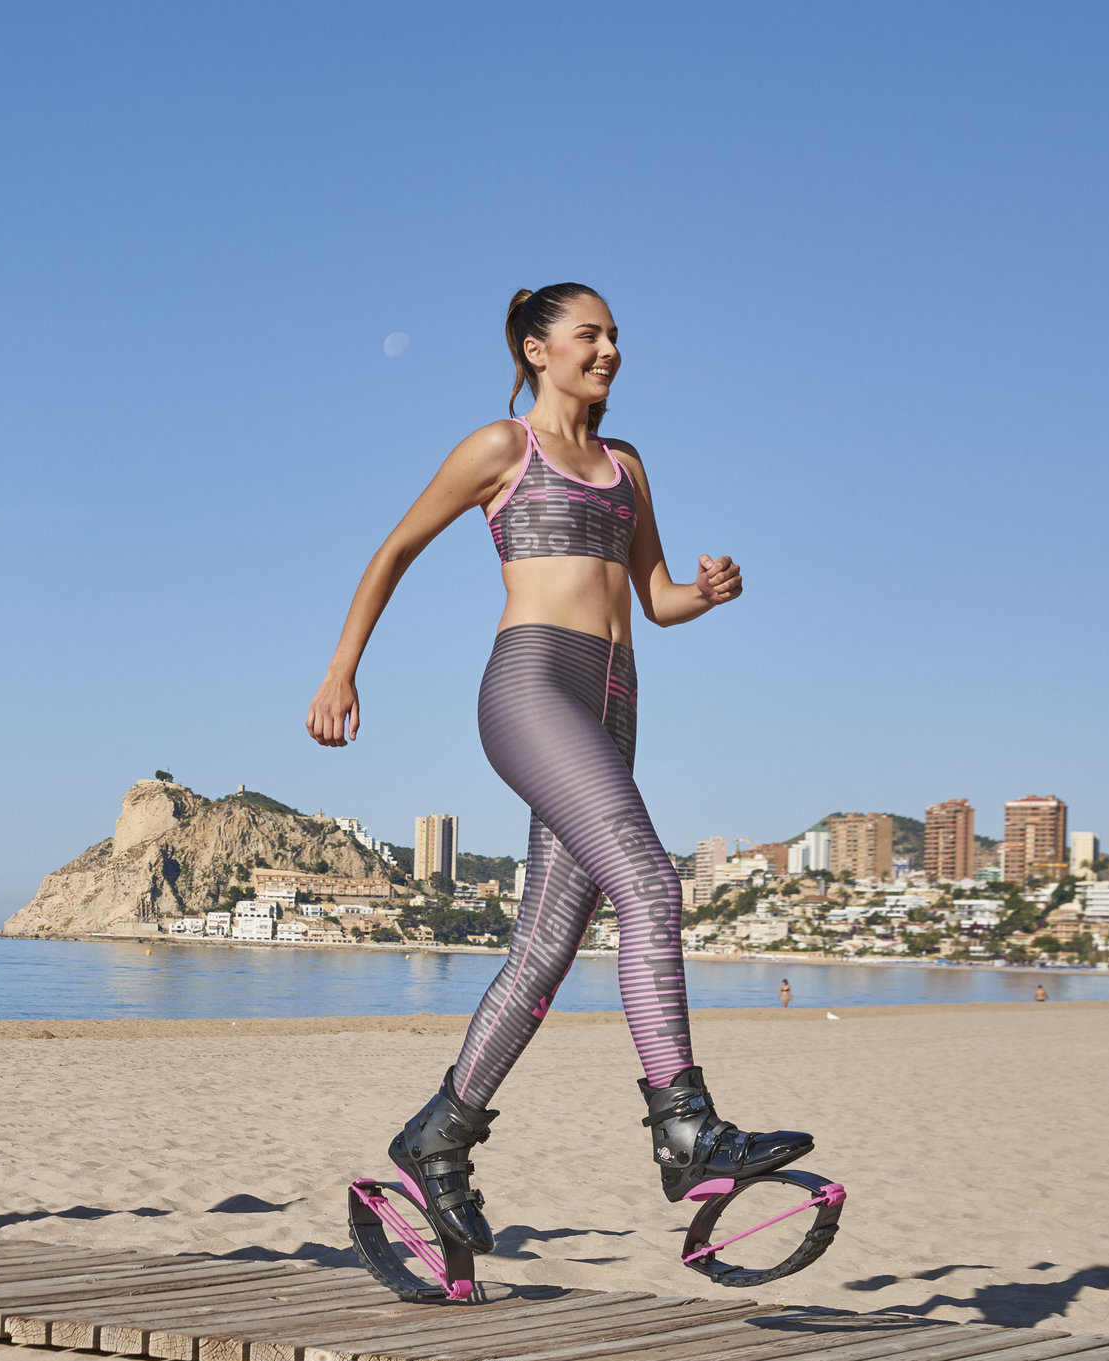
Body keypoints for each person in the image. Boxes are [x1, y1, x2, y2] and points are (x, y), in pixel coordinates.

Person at [305, 284, 810, 1261]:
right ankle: (682, 1127)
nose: (609, 349)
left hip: (615, 704)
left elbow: (652, 600)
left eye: (617, 335)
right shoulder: (502, 449)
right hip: (534, 685)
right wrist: (340, 669)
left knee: (543, 951)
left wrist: (703, 594)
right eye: (589, 335)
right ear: (537, 350)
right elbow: (395, 547)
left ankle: (438, 1137)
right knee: (651, 885)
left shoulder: (626, 467)